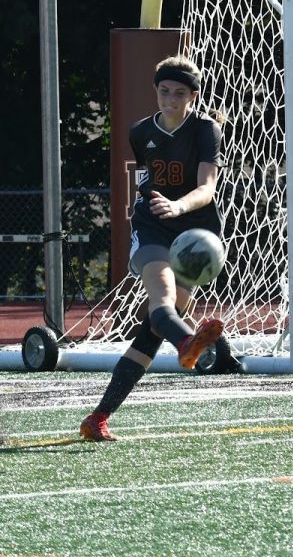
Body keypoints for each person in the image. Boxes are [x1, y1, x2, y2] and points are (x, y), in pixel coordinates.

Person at [80, 55, 241, 443]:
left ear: (193, 95)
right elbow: (146, 178)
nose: (170, 98)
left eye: (179, 93)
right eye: (164, 91)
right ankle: (187, 341)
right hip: (152, 225)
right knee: (163, 299)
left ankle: (98, 417)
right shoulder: (140, 131)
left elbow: (207, 189)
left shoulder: (206, 130)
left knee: (152, 328)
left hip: (194, 229)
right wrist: (156, 202)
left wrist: (178, 206)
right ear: (156, 90)